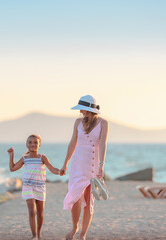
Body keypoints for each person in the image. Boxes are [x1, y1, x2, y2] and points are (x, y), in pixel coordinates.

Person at [60, 95, 109, 240]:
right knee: (76, 196)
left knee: (89, 199)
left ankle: (82, 235)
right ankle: (74, 227)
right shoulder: (78, 122)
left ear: (89, 109)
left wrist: (101, 165)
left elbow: (102, 144)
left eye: (82, 109)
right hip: (78, 163)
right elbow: (72, 143)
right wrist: (65, 163)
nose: (80, 112)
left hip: (93, 164)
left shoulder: (103, 123)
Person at [8, 134, 60, 240]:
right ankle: (34, 235)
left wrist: (60, 171)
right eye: (30, 142)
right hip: (28, 186)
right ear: (27, 145)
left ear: (39, 145)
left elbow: (52, 169)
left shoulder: (42, 158)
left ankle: (39, 233)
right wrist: (11, 155)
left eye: (35, 142)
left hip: (40, 187)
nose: (33, 144)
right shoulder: (24, 158)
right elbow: (12, 168)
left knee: (40, 213)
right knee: (32, 210)